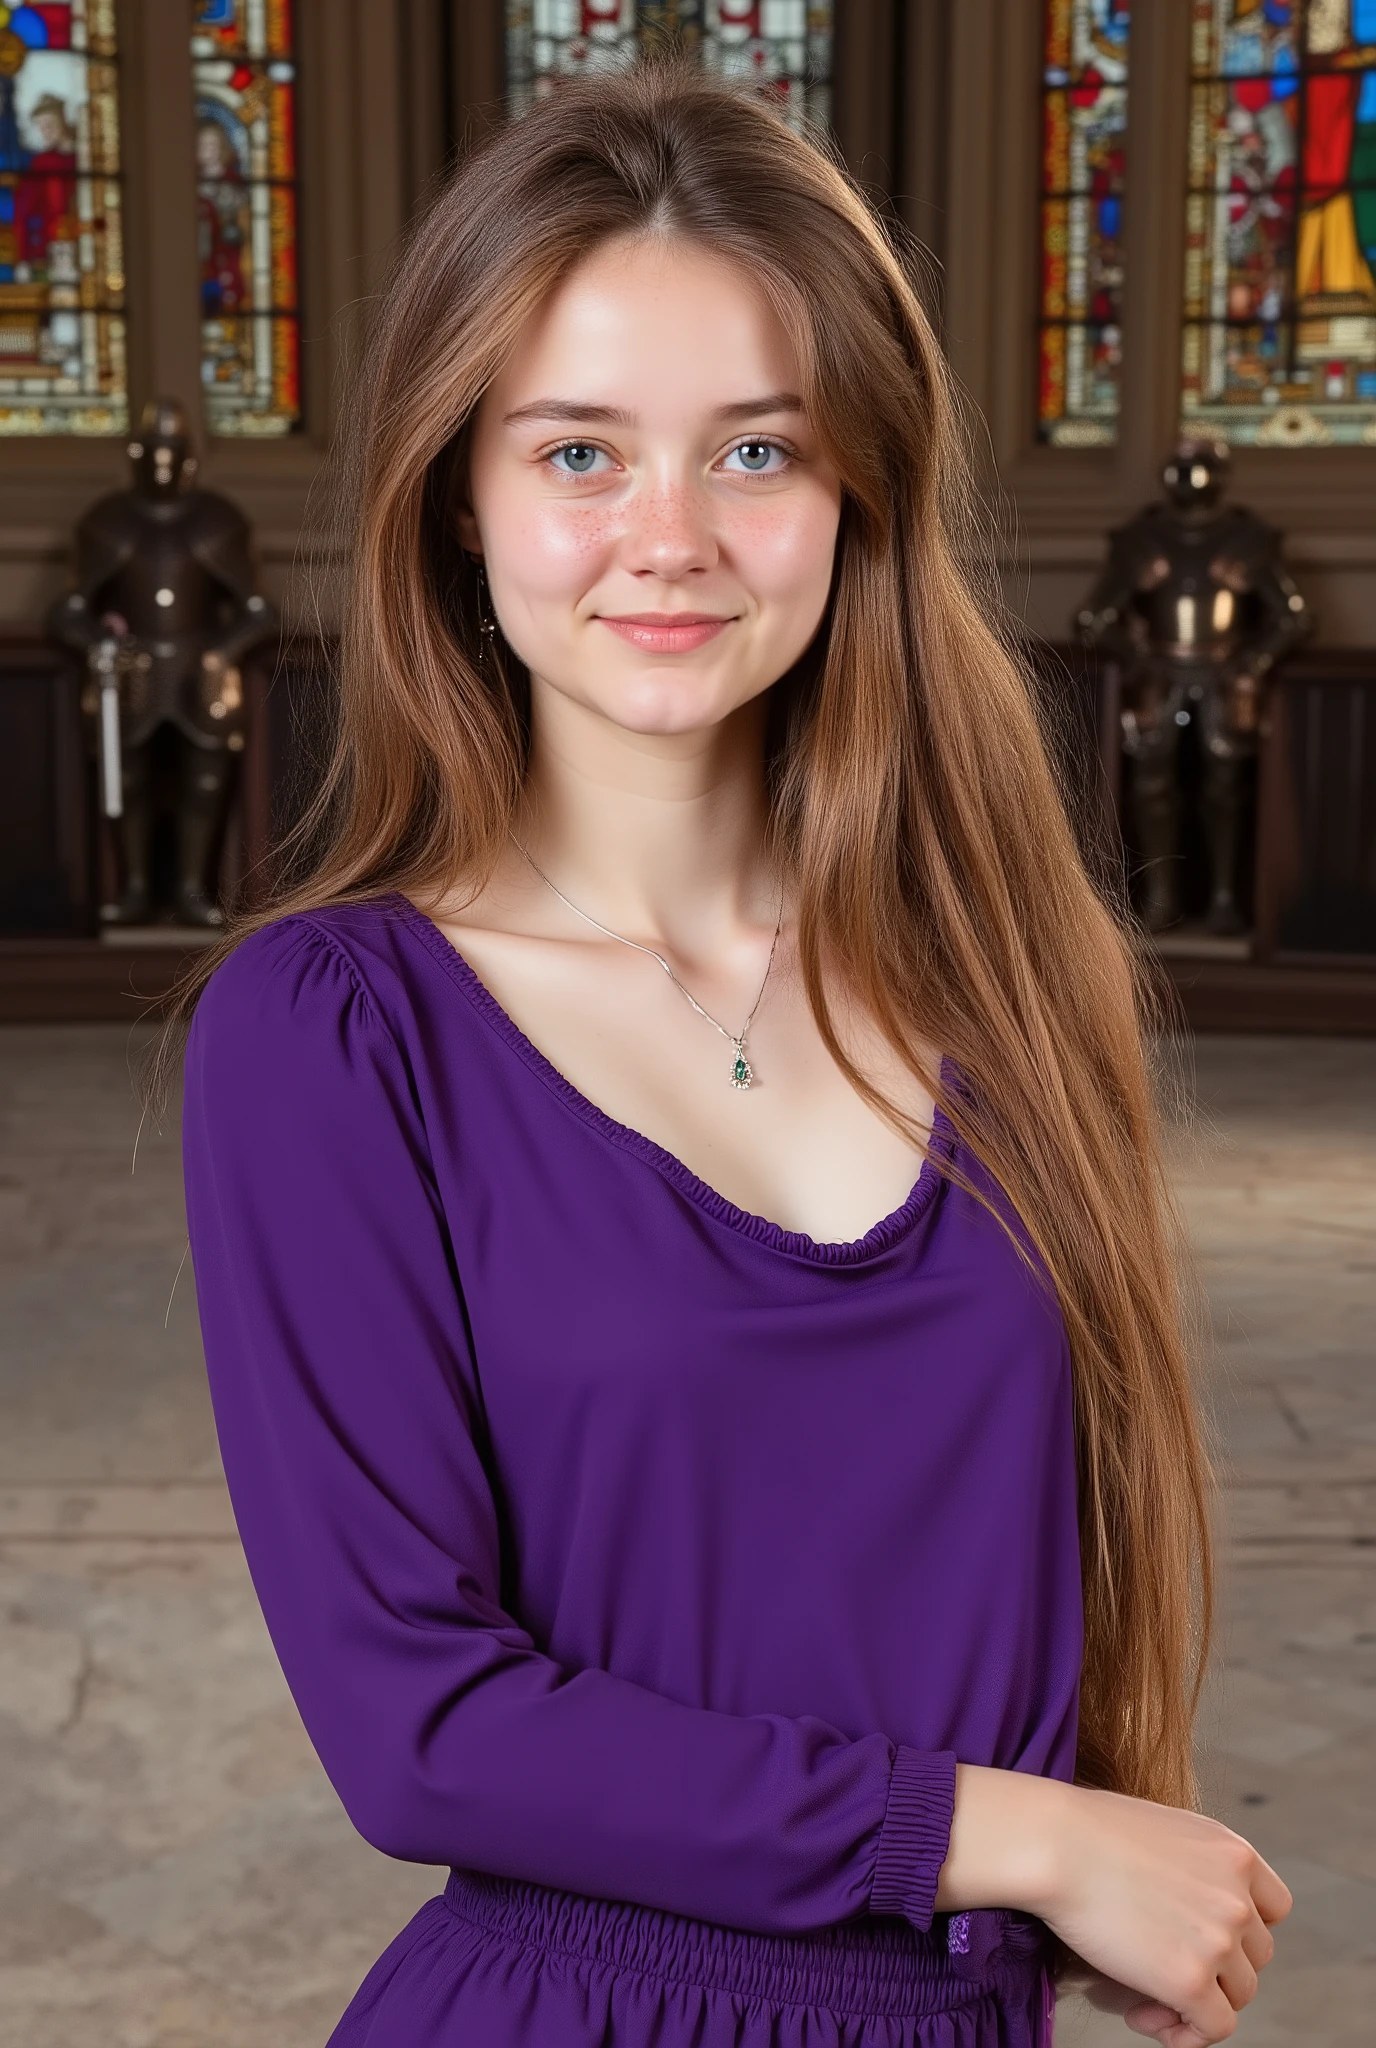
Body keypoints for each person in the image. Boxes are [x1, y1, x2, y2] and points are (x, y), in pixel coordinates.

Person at [173, 55, 1291, 2048]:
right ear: (459, 494)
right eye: (578, 452)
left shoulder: (1008, 983)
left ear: (856, 484)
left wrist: (1057, 1861)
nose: (668, 535)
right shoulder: (329, 1036)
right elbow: (421, 1725)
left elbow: (1068, 1529)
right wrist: (1007, 1836)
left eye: (754, 452)